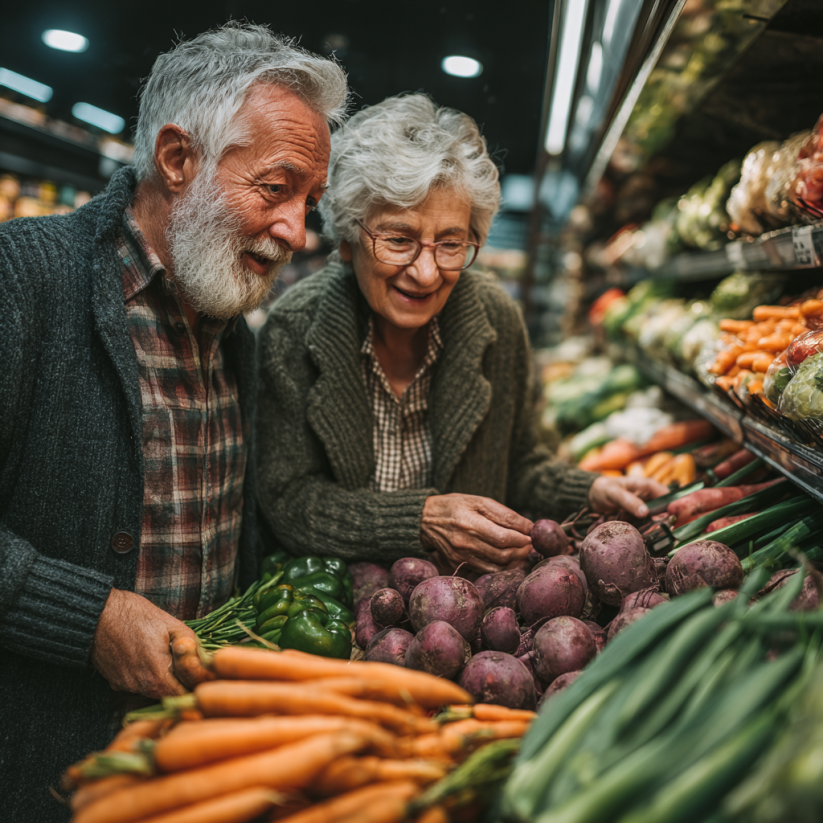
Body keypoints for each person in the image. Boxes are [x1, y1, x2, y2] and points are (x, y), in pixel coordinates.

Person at [0, 23, 347, 821]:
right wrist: (87, 616)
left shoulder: (237, 337)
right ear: (178, 158)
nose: (297, 232)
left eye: (310, 203)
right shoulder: (25, 281)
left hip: (190, 775)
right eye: (275, 186)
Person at [256, 94, 666, 575]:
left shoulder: (495, 318)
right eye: (399, 240)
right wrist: (421, 520)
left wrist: (590, 490)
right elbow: (289, 501)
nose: (427, 272)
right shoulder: (294, 330)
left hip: (472, 608)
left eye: (450, 243)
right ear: (347, 240)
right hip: (337, 606)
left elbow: (520, 465)